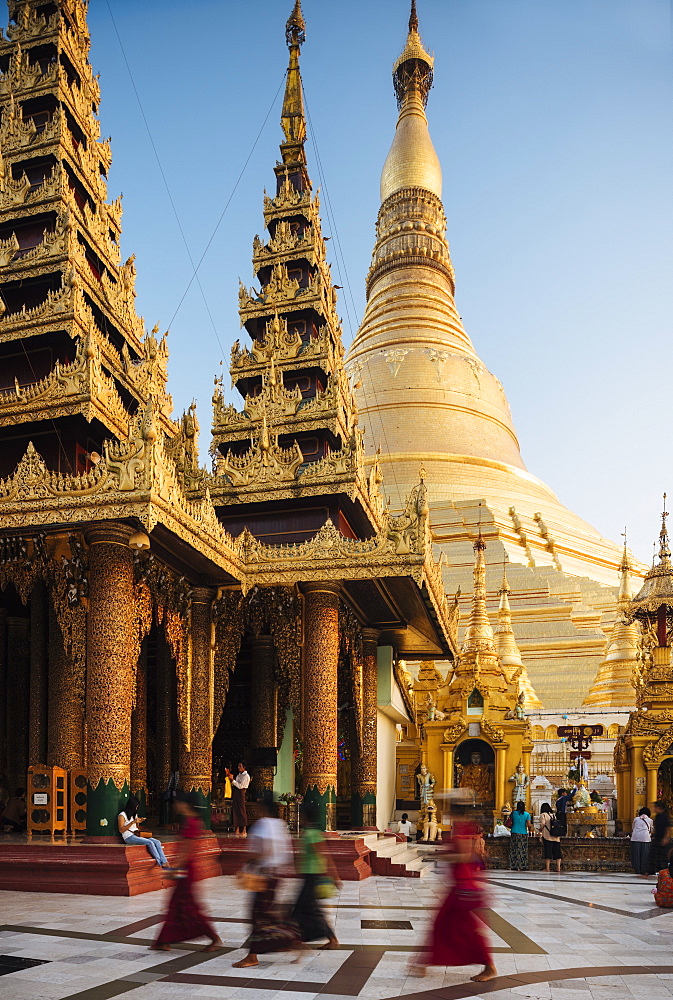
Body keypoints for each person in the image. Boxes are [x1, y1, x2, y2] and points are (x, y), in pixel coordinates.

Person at [410, 802, 496, 982]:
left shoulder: (463, 830)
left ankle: (489, 966)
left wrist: (440, 855)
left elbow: (464, 856)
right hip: (459, 886)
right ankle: (423, 962)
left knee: (466, 929)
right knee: (443, 925)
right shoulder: (459, 829)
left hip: (464, 888)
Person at [233, 794, 298, 968]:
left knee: (258, 914)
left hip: (263, 875)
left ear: (263, 809)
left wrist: (245, 864)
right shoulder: (281, 825)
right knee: (268, 912)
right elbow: (287, 852)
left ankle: (254, 955)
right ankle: (285, 942)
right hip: (276, 875)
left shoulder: (263, 825)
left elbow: (261, 850)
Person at [152, 794, 222, 952]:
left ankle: (213, 938)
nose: (176, 805)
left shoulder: (191, 823)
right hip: (185, 868)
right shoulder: (191, 821)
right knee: (176, 905)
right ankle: (165, 940)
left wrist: (174, 869)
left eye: (178, 802)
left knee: (188, 907)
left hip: (185, 869)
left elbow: (186, 850)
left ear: (185, 804)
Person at [290, 801, 341, 948]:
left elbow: (323, 855)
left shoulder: (312, 834)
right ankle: (328, 938)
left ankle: (296, 939)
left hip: (313, 876)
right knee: (309, 909)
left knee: (304, 909)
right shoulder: (308, 832)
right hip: (308, 875)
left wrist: (334, 875)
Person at [118, 795, 169, 868]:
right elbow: (121, 830)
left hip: (136, 834)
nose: (137, 808)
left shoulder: (134, 814)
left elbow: (136, 828)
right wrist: (133, 822)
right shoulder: (122, 815)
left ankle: (165, 861)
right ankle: (160, 862)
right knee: (150, 842)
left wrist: (139, 822)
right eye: (136, 806)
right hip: (128, 837)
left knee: (157, 842)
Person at [647, 800, 671, 876]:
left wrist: (665, 838)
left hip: (662, 839)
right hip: (657, 838)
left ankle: (664, 872)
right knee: (652, 855)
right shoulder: (657, 816)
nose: (654, 809)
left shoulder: (664, 816)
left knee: (663, 857)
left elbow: (668, 828)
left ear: (659, 808)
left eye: (655, 807)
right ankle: (649, 871)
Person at [508, 800, 532, 871]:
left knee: (513, 849)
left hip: (514, 832)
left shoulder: (513, 813)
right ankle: (522, 865)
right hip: (523, 833)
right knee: (522, 850)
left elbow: (510, 821)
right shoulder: (527, 814)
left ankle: (512, 865)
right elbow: (529, 825)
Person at [539, 802, 562, 874]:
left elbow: (542, 824)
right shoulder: (553, 815)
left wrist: (540, 829)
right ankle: (558, 867)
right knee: (557, 852)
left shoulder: (543, 815)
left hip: (548, 836)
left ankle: (547, 868)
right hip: (556, 836)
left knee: (548, 851)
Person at [630, 807, 653, 876]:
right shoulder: (650, 820)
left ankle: (637, 869)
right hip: (645, 838)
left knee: (636, 854)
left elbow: (633, 827)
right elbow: (651, 829)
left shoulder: (636, 819)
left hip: (635, 838)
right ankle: (643, 869)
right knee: (645, 855)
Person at [232, 762, 250, 837]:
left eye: (240, 766)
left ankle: (244, 830)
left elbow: (241, 786)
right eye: (238, 766)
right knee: (236, 810)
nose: (238, 767)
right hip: (236, 792)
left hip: (241, 792)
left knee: (242, 810)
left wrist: (232, 780)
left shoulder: (246, 776)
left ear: (244, 767)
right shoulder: (239, 775)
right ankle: (237, 828)